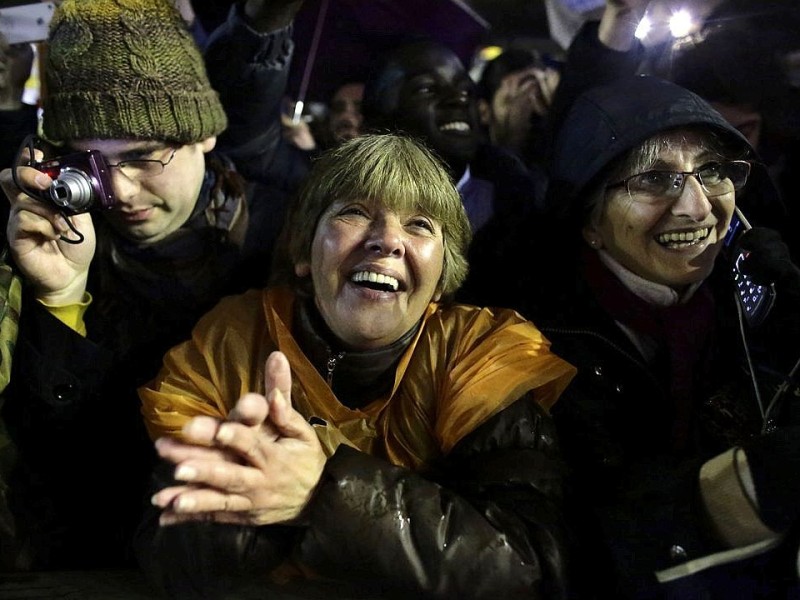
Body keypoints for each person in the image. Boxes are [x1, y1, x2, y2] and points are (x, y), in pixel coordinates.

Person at [135, 133, 577, 599]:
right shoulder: (232, 343)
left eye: (420, 224)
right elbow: (167, 554)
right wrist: (247, 490)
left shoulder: (480, 357)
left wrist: (322, 492)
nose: (387, 241)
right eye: (355, 212)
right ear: (304, 253)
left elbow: (534, 567)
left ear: (444, 271)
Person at [0, 0, 302, 570]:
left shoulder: (286, 238)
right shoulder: (54, 242)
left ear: (205, 134)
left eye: (143, 157)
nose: (122, 192)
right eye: (91, 163)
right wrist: (60, 299)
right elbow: (48, 468)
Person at [509, 73, 800, 598]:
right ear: (589, 220)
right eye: (652, 179)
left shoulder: (761, 298)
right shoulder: (529, 347)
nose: (697, 207)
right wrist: (751, 485)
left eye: (711, 171)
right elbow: (574, 539)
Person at [360, 39, 552, 308]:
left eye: (466, 90)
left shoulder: (520, 205)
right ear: (377, 119)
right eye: (427, 88)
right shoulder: (342, 206)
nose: (458, 99)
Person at [476, 47, 561, 171]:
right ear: (484, 111)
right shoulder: (477, 172)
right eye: (511, 100)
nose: (529, 104)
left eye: (538, 95)